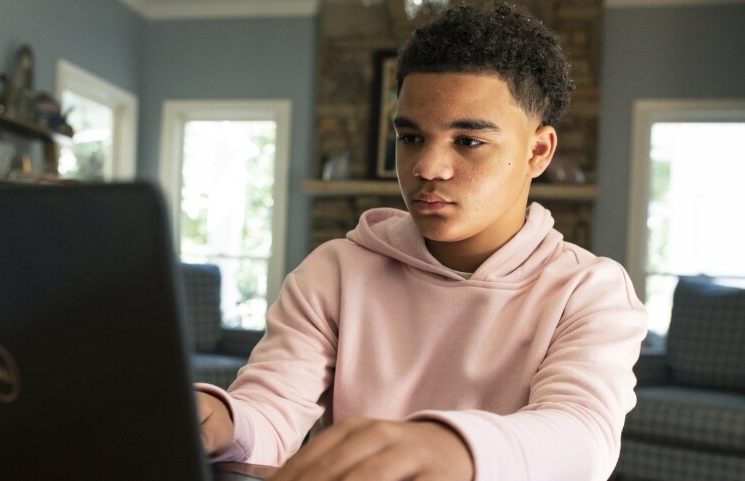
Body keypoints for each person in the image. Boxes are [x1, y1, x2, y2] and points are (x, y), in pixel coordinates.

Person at [195, 2, 647, 480]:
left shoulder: (590, 290)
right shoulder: (336, 271)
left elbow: (582, 438)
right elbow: (270, 412)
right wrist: (222, 419)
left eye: (467, 141)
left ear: (538, 151)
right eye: (410, 137)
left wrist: (449, 445)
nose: (427, 168)